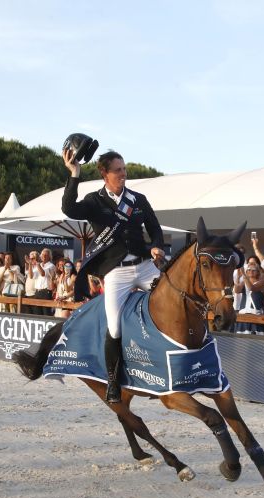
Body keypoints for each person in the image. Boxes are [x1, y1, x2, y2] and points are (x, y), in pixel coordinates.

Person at [62, 148, 165, 403]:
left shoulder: (138, 199)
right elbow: (68, 209)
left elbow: (155, 228)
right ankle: (113, 380)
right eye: (118, 170)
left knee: (170, 304)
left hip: (144, 266)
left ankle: (162, 372)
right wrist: (74, 174)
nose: (123, 174)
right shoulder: (94, 201)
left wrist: (157, 245)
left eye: (124, 169)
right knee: (114, 326)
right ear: (104, 174)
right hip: (116, 272)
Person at [235, 262, 264, 335]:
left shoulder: (261, 282)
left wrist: (244, 274)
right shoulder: (244, 282)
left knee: (255, 341)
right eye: (249, 269)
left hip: (255, 316)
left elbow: (251, 288)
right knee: (241, 341)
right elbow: (236, 290)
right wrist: (237, 277)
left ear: (258, 272)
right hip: (243, 315)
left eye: (253, 270)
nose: (251, 271)